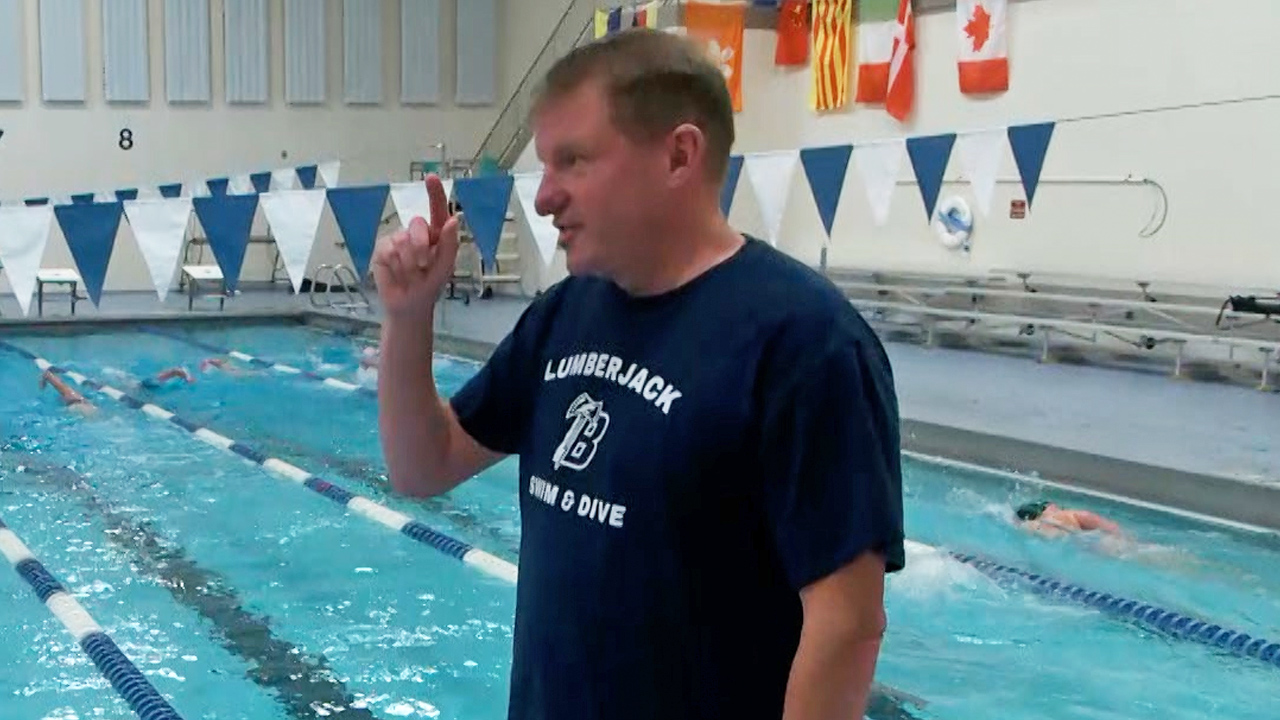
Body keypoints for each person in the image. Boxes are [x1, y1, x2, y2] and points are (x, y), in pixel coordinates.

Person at [372, 28, 905, 720]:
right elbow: (424, 466)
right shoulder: (566, 313)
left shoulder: (805, 344)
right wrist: (408, 319)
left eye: (575, 162)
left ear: (679, 154)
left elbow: (846, 624)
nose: (544, 198)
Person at [1014, 500, 1124, 539]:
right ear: (1049, 506)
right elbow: (1112, 528)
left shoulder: (1033, 525)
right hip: (1106, 544)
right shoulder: (1075, 515)